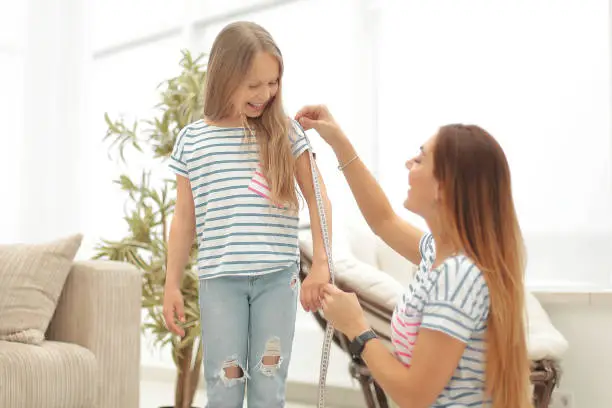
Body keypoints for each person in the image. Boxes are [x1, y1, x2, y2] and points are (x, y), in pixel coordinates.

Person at [295, 105, 532, 408]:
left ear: (443, 188)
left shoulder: (457, 276)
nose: (409, 163)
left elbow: (414, 395)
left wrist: (356, 326)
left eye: (420, 159)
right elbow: (383, 221)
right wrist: (337, 140)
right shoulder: (441, 253)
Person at [162, 22, 332, 408]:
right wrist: (172, 283)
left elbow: (318, 196)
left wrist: (321, 263)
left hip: (277, 280)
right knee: (224, 386)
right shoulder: (193, 140)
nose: (265, 94)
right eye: (253, 84)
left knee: (268, 388)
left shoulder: (285, 133)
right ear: (225, 76)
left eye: (272, 83)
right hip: (220, 283)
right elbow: (184, 219)